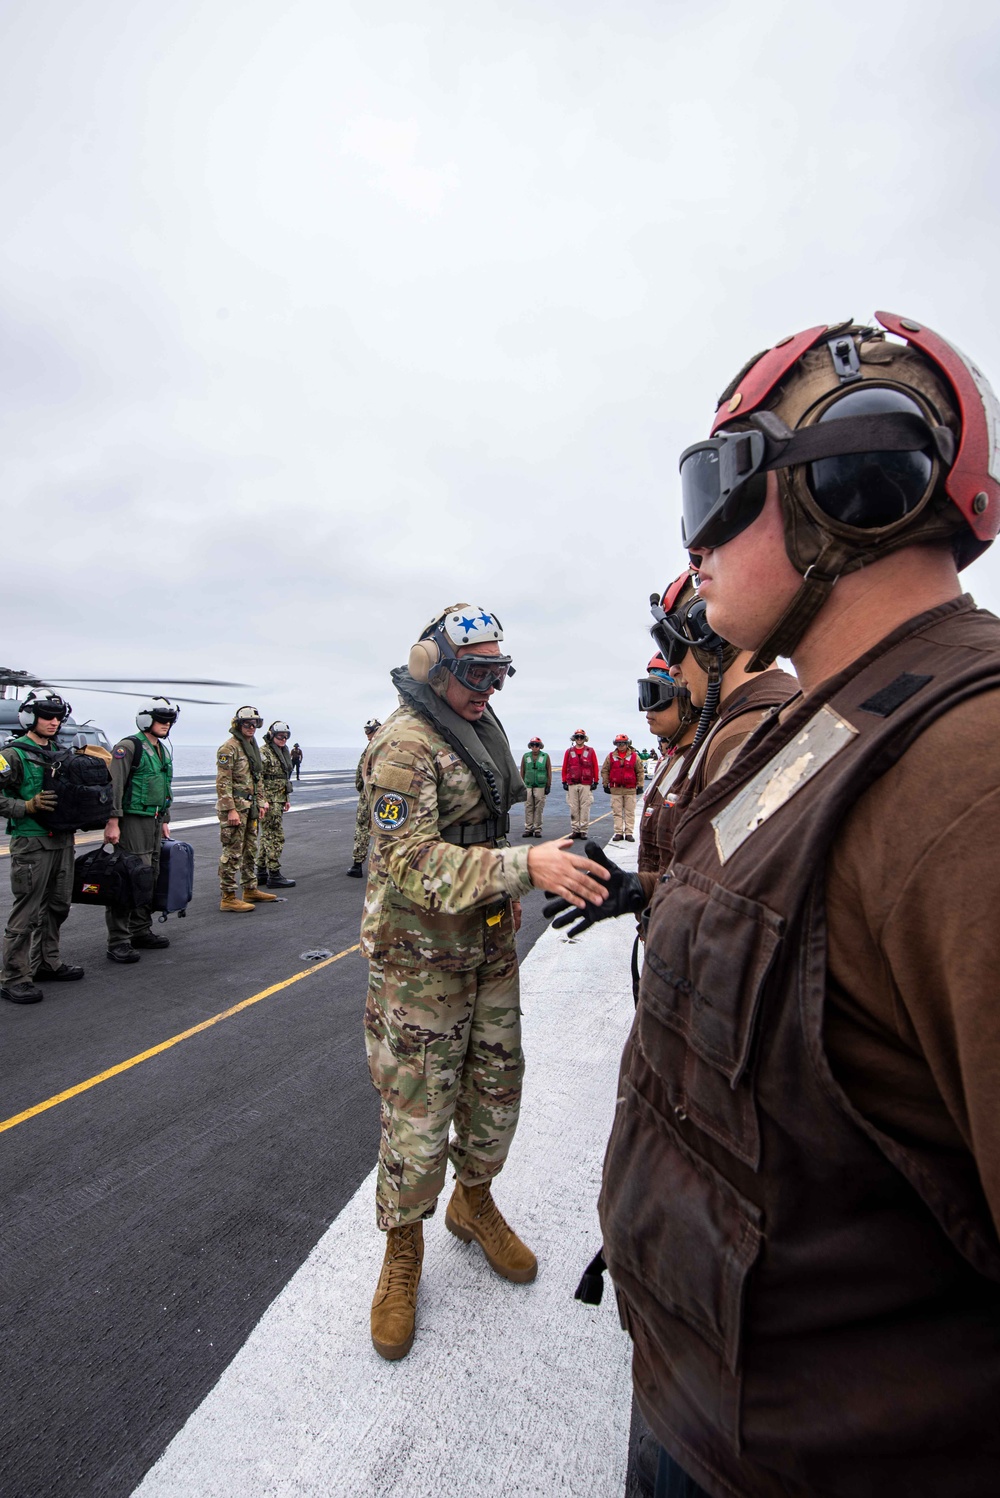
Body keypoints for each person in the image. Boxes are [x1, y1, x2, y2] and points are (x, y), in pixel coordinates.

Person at [600, 313, 1000, 1498]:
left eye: (719, 488)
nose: (699, 544)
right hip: (710, 1406)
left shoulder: (973, 774)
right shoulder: (835, 723)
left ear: (854, 482)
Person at [362, 602, 609, 1361]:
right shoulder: (404, 746)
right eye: (476, 675)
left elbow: (486, 833)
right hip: (421, 959)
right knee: (418, 1108)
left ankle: (473, 1202)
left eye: (498, 674)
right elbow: (410, 862)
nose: (489, 691)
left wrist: (544, 855)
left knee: (497, 1087)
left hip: (488, 942)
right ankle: (403, 1249)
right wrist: (524, 866)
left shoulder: (473, 729)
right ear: (435, 669)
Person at [0, 691, 82, 1004]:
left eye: (58, 716)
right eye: (47, 715)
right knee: (27, 913)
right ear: (29, 718)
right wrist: (26, 806)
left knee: (58, 905)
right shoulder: (12, 755)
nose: (54, 721)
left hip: (62, 840)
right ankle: (14, 976)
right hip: (31, 842)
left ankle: (47, 962)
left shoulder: (61, 753)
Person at [102, 697, 177, 963]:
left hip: (154, 822)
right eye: (160, 719)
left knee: (149, 876)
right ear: (146, 719)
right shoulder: (128, 746)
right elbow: (115, 786)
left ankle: (140, 929)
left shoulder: (161, 750)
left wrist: (165, 818)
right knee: (127, 878)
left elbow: (164, 787)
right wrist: (113, 821)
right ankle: (119, 940)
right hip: (132, 821)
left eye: (169, 719)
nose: (166, 724)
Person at [216, 707, 276, 912]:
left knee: (250, 849)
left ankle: (250, 888)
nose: (251, 728)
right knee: (232, 853)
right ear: (238, 725)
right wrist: (230, 810)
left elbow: (257, 778)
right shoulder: (229, 748)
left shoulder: (251, 748)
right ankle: (228, 896)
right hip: (235, 809)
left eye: (255, 724)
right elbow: (223, 783)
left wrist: (261, 802)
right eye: (247, 724)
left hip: (250, 808)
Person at [256, 721, 296, 889]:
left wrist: (286, 798)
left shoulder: (281, 752)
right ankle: (274, 874)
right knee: (275, 836)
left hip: (278, 799)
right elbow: (258, 777)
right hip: (268, 801)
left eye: (286, 737)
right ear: (272, 735)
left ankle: (261, 872)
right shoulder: (264, 753)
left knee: (267, 836)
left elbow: (283, 777)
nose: (283, 739)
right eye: (280, 736)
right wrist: (262, 800)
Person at [347, 718, 382, 878]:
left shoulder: (371, 748)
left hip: (369, 793)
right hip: (383, 795)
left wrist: (362, 789)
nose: (367, 735)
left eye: (369, 731)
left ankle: (357, 865)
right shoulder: (389, 747)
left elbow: (360, 773)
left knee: (362, 827)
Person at [601, 734, 644, 842]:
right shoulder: (611, 756)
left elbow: (640, 771)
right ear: (615, 744)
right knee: (617, 812)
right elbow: (605, 770)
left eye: (622, 743)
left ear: (627, 744)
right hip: (616, 789)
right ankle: (618, 832)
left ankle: (629, 833)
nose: (620, 745)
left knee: (629, 812)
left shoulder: (635, 756)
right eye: (618, 743)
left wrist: (640, 785)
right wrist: (605, 784)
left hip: (630, 789)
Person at [561, 729, 600, 839]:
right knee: (573, 807)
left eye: (581, 737)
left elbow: (595, 766)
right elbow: (565, 767)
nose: (579, 739)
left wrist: (595, 781)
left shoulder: (590, 751)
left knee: (585, 807)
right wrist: (564, 781)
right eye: (577, 737)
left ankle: (583, 830)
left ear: (584, 739)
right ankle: (575, 829)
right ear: (574, 738)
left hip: (586, 783)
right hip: (572, 783)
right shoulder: (569, 752)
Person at [519, 735, 551, 837]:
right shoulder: (526, 756)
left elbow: (549, 771)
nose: (534, 747)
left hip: (540, 785)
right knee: (528, 806)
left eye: (536, 745)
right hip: (528, 785)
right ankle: (528, 828)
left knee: (539, 807)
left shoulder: (545, 756)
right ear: (530, 746)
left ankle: (537, 828)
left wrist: (548, 785)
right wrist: (521, 785)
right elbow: (522, 771)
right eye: (533, 745)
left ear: (540, 746)